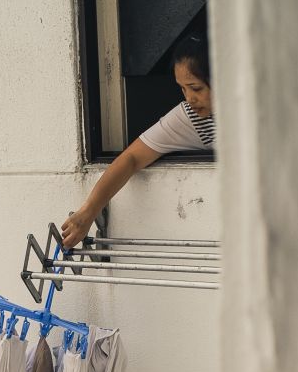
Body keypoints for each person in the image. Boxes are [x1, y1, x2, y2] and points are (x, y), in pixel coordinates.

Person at [61, 33, 215, 248]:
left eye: (196, 88)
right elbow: (132, 157)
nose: (189, 98)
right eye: (182, 88)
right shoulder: (191, 116)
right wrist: (88, 211)